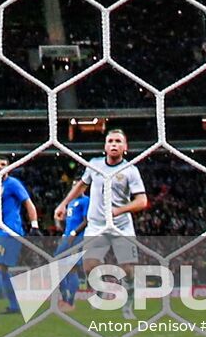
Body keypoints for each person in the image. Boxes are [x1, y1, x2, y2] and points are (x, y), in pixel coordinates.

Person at [54, 129, 148, 320]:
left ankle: (128, 307)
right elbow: (81, 185)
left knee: (128, 269)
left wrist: (118, 211)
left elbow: (142, 201)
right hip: (96, 226)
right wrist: (64, 204)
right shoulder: (95, 165)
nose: (114, 144)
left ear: (125, 147)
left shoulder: (130, 170)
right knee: (89, 266)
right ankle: (102, 290)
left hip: (121, 225)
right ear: (105, 146)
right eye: (110, 141)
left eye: (118, 141)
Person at [0, 157, 39, 315]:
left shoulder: (13, 184)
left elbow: (28, 203)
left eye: (3, 165)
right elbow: (0, 206)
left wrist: (34, 226)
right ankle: (14, 306)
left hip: (10, 231)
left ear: (9, 167)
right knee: (3, 270)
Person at [56, 191, 89, 309]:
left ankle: (70, 302)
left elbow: (86, 220)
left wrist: (74, 233)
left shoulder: (86, 201)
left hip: (78, 238)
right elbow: (69, 221)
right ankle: (65, 297)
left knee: (72, 268)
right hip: (67, 237)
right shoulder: (70, 202)